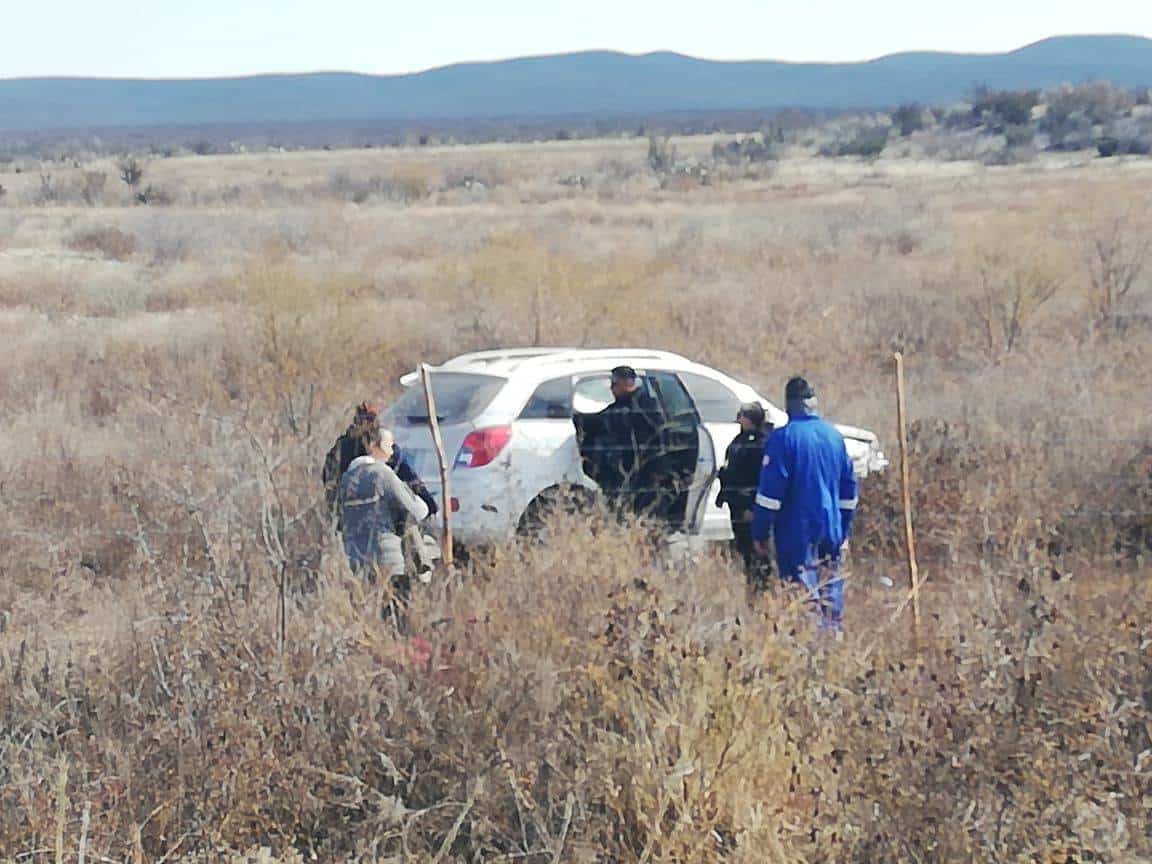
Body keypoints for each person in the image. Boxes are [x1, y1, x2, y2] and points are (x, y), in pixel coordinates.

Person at [752, 377, 858, 629]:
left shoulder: (782, 439)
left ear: (789, 405)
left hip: (796, 530)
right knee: (830, 590)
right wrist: (843, 529)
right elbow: (849, 492)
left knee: (803, 595)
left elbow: (769, 496)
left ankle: (809, 653)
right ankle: (833, 647)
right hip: (831, 526)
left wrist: (759, 532)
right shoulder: (834, 437)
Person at [336, 422, 431, 588]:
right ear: (373, 446)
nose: (392, 452)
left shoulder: (345, 480)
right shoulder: (382, 474)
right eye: (388, 445)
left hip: (355, 560)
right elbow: (418, 511)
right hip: (388, 560)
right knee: (394, 609)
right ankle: (424, 568)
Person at [575, 366, 666, 519]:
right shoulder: (624, 405)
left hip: (643, 474)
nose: (611, 388)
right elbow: (600, 420)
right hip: (625, 473)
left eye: (615, 383)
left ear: (627, 383)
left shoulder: (643, 406)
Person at [323, 401, 437, 520]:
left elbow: (329, 480)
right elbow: (409, 476)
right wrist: (429, 505)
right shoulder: (381, 448)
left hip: (349, 516)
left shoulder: (342, 447)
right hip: (378, 518)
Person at [717, 402, 772, 587]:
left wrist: (751, 506)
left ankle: (760, 587)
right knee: (744, 549)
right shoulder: (740, 440)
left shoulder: (760, 444)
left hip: (749, 506)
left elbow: (758, 479)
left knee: (755, 552)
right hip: (737, 503)